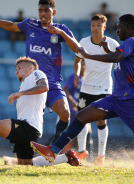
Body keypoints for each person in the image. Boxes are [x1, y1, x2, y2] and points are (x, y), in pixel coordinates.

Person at [30, 14, 134, 164]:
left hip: (129, 100)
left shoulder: (131, 41)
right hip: (115, 99)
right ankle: (53, 150)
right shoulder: (124, 44)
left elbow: (116, 58)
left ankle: (99, 154)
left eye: (119, 27)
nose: (117, 31)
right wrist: (106, 50)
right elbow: (116, 56)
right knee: (81, 117)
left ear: (128, 27)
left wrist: (88, 55)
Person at [0, 0, 80, 144]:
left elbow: (77, 49)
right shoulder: (31, 24)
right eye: (40, 10)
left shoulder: (61, 29)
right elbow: (11, 26)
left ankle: (54, 148)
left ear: (53, 12)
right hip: (31, 83)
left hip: (51, 82)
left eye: (46, 10)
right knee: (27, 124)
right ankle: (23, 152)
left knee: (65, 113)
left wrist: (61, 33)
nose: (43, 13)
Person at [0, 57, 81, 166]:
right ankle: (66, 157)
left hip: (29, 127)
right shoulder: (25, 84)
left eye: (19, 67)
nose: (16, 71)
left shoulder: (37, 74)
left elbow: (45, 87)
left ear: (31, 67)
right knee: (26, 163)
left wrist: (20, 93)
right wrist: (21, 93)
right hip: (31, 130)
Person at [73, 14, 120, 165]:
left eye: (99, 26)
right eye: (93, 25)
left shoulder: (112, 44)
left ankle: (101, 155)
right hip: (86, 87)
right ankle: (81, 152)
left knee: (101, 120)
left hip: (104, 88)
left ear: (104, 27)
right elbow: (77, 61)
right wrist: (76, 75)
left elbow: (120, 61)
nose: (95, 28)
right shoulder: (84, 42)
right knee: (81, 118)